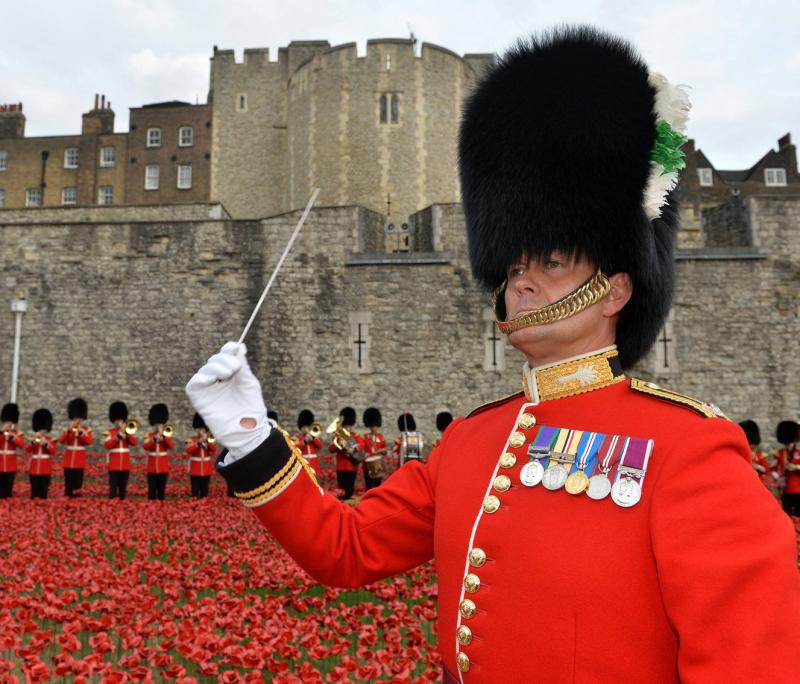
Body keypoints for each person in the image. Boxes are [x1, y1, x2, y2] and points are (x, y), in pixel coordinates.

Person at [187, 27, 800, 681]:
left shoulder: (689, 450)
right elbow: (347, 547)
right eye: (513, 263)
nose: (521, 280)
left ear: (616, 287)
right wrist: (250, 436)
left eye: (553, 261)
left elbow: (752, 660)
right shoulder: (474, 443)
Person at [58, 398, 92, 498]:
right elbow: (61, 441)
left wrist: (81, 432)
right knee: (68, 486)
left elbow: (89, 441)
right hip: (69, 461)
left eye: (79, 418)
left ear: (82, 418)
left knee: (77, 486)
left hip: (79, 461)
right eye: (75, 418)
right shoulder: (68, 429)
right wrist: (68, 431)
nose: (77, 420)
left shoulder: (86, 430)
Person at [104, 401, 137, 500]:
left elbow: (134, 443)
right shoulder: (110, 432)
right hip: (114, 465)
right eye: (117, 420)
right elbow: (107, 444)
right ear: (113, 421)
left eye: (121, 420)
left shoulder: (128, 432)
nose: (119, 422)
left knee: (123, 490)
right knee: (113, 490)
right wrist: (117, 436)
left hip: (125, 465)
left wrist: (126, 433)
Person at [328, 407, 361, 500]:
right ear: (343, 426)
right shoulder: (338, 436)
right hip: (341, 467)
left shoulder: (355, 436)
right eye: (346, 426)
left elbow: (359, 449)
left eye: (349, 426)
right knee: (341, 492)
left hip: (352, 467)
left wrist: (353, 450)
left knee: (350, 492)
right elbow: (331, 449)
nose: (348, 428)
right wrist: (339, 442)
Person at [142, 403, 174, 500]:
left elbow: (171, 446)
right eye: (157, 424)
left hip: (163, 467)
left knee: (161, 491)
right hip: (151, 468)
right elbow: (145, 446)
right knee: (152, 491)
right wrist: (154, 439)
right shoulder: (149, 436)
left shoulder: (167, 435)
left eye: (160, 424)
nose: (158, 426)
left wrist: (163, 436)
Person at [739, 419, 777, 494]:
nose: (752, 450)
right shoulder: (739, 455)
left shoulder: (759, 455)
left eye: (753, 447)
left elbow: (766, 470)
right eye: (751, 447)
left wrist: (758, 467)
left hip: (758, 487)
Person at [185, 412, 217, 498]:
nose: (201, 431)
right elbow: (188, 450)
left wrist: (207, 441)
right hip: (195, 470)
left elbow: (213, 450)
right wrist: (198, 442)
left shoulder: (209, 440)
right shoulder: (191, 439)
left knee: (205, 492)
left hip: (206, 469)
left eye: (202, 429)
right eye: (199, 429)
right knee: (195, 492)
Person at [27, 408, 56, 499]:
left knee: (44, 490)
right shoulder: (33, 440)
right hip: (34, 468)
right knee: (34, 490)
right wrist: (33, 442)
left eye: (43, 429)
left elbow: (53, 451)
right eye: (40, 429)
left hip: (45, 468)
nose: (42, 431)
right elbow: (27, 449)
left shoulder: (51, 440)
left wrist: (46, 443)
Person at [776, 420, 800, 516]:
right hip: (785, 490)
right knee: (786, 515)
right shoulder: (780, 453)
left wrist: (796, 467)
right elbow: (774, 468)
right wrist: (778, 477)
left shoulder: (798, 452)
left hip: (798, 489)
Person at [0, 403, 24, 498]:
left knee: (8, 490)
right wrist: (1, 432)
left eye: (10, 422)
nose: (8, 424)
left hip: (10, 464)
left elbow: (21, 444)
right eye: (7, 422)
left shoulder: (16, 433)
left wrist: (13, 437)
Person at [361, 407, 387, 490]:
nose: (373, 428)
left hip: (378, 465)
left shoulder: (381, 437)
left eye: (375, 426)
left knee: (377, 487)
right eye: (372, 426)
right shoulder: (365, 437)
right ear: (369, 426)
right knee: (368, 487)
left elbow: (385, 450)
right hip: (367, 466)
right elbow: (361, 449)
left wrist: (379, 451)